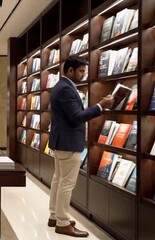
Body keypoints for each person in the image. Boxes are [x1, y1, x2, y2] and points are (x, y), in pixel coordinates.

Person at [48, 56, 114, 237]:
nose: (84, 75)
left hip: (61, 142)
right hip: (68, 143)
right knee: (66, 184)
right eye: (81, 71)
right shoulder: (66, 89)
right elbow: (77, 116)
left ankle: (55, 215)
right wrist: (100, 106)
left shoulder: (61, 87)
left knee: (59, 179)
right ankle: (62, 222)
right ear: (70, 70)